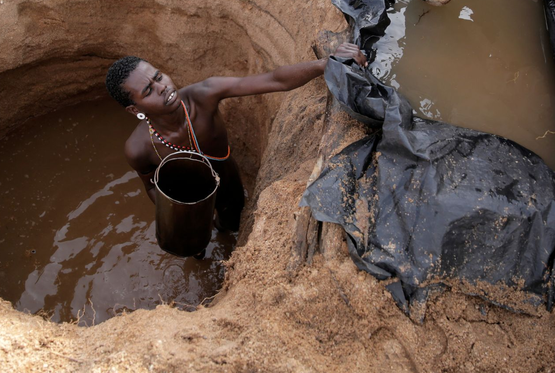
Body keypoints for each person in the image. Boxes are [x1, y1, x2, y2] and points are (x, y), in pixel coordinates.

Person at [105, 43, 367, 233]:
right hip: (187, 203)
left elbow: (274, 80)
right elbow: (151, 187)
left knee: (231, 228)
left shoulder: (204, 95)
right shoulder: (138, 148)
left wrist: (325, 64)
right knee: (190, 247)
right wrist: (179, 215)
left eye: (159, 76)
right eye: (149, 90)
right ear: (135, 109)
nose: (163, 88)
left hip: (229, 186)